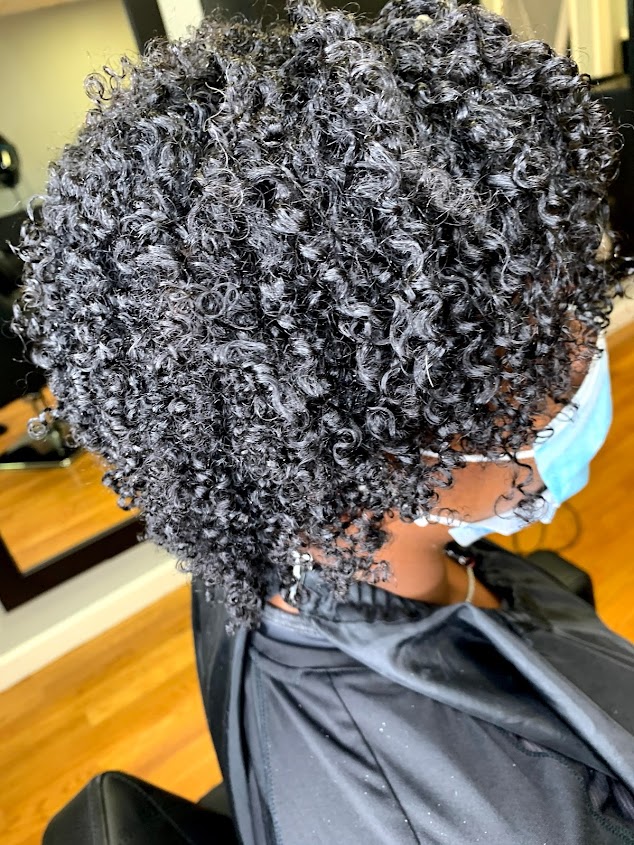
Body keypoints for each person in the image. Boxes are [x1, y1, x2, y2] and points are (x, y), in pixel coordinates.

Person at [11, 0, 634, 841]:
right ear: (398, 427)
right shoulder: (509, 822)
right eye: (553, 328)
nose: (590, 341)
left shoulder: (271, 534)